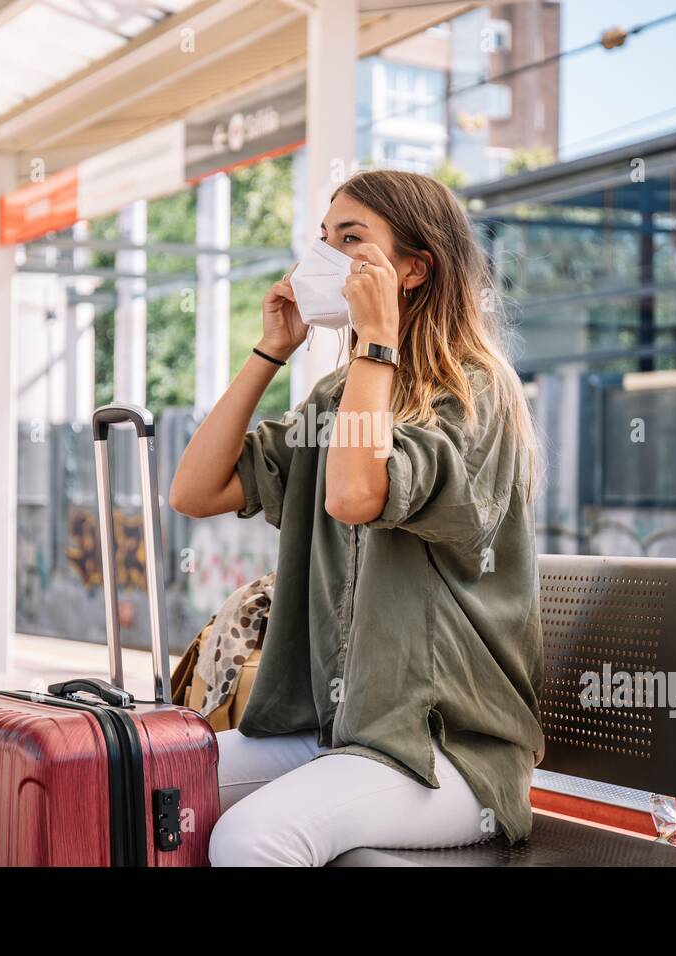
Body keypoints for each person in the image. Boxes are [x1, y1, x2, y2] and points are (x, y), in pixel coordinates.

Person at [168, 169, 545, 867]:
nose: (326, 260)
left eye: (351, 241)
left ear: (414, 268)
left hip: (448, 754)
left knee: (254, 839)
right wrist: (270, 351)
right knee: (134, 777)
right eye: (323, 240)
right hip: (340, 733)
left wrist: (377, 340)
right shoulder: (341, 393)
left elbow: (354, 495)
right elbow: (195, 491)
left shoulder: (476, 390)